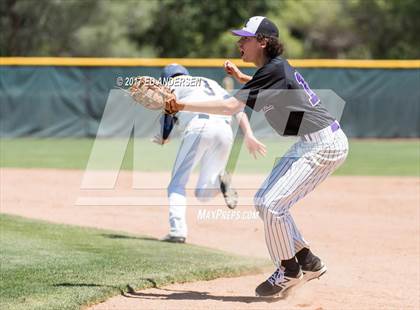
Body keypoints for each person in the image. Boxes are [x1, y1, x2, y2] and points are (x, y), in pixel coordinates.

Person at [165, 17, 349, 298]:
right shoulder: (272, 70)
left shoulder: (273, 69)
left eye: (245, 38)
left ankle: (288, 270)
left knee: (271, 204)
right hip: (312, 143)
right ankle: (308, 261)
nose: (239, 43)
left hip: (324, 145)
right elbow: (265, 90)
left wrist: (181, 103)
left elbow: (229, 106)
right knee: (264, 202)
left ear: (262, 42)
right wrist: (242, 79)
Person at [157, 64, 266, 244]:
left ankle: (177, 231)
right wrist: (249, 134)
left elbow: (168, 113)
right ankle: (219, 181)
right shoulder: (211, 83)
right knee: (203, 193)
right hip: (225, 130)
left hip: (198, 128)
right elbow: (236, 108)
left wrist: (163, 136)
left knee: (177, 183)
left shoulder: (172, 85)